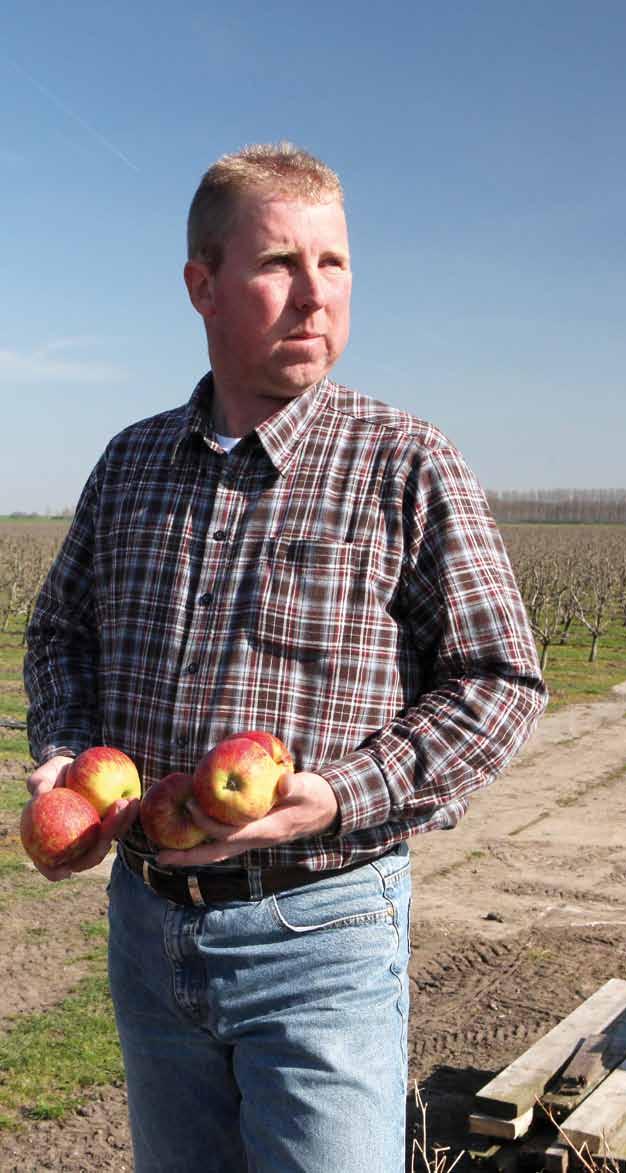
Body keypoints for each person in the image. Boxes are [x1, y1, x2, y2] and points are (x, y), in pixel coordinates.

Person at [24, 142, 548, 1173]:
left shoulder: (406, 462)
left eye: (335, 263)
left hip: (323, 928)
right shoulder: (131, 464)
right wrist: (65, 753)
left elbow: (501, 681)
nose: (315, 295)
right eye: (278, 264)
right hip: (146, 928)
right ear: (202, 284)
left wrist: (341, 794)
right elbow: (58, 636)